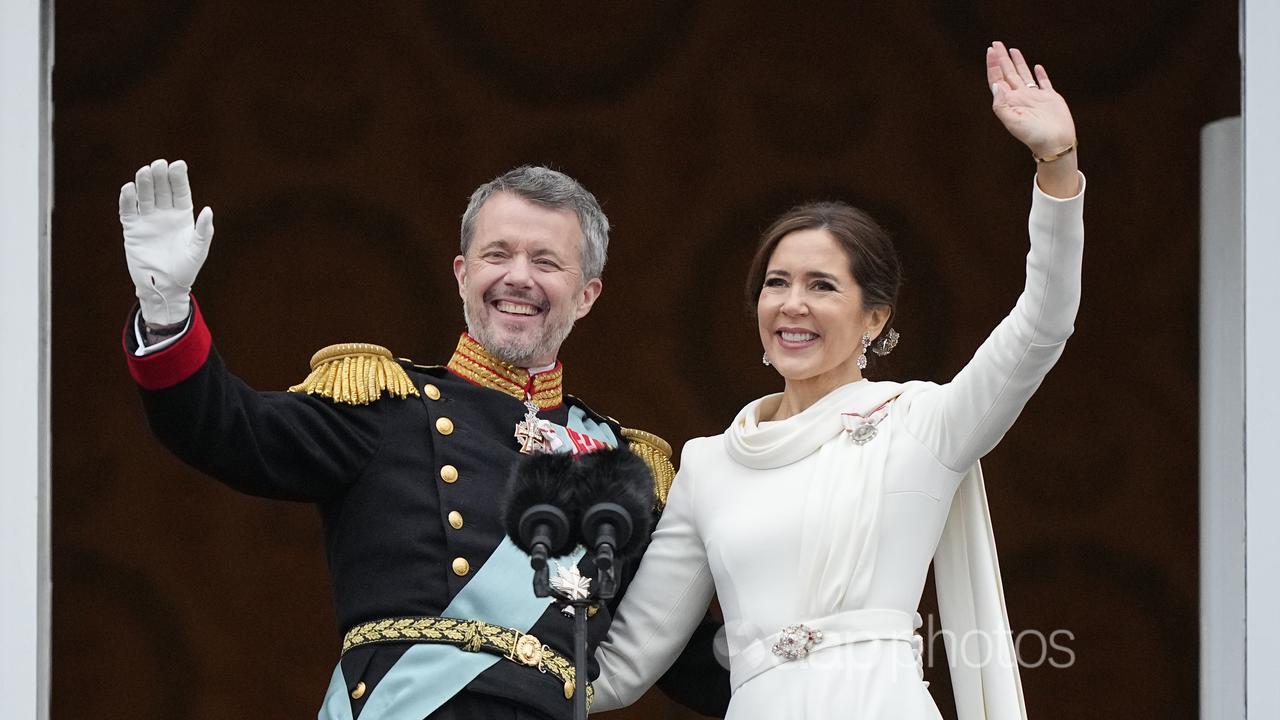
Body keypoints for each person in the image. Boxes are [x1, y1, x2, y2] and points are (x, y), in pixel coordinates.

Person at [117, 164, 729, 719]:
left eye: (546, 262)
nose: (518, 278)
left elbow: (693, 658)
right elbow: (225, 429)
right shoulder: (382, 404)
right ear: (463, 274)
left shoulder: (622, 471)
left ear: (587, 294)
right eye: (498, 254)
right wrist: (166, 311)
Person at [589, 41, 1084, 719]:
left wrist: (1056, 167)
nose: (793, 304)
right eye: (776, 284)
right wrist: (467, 656)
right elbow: (619, 669)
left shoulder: (924, 423)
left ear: (874, 318)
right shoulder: (708, 466)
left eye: (823, 286)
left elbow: (1042, 325)